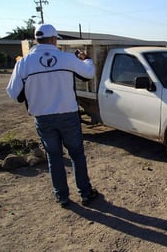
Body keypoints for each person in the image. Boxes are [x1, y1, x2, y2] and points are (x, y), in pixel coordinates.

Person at [6, 24, 98, 207]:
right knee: (77, 154)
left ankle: (62, 196)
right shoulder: (66, 59)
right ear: (54, 39)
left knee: (54, 156)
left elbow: (13, 93)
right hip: (68, 115)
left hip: (43, 118)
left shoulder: (23, 63)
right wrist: (86, 59)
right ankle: (86, 193)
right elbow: (89, 74)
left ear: (36, 40)